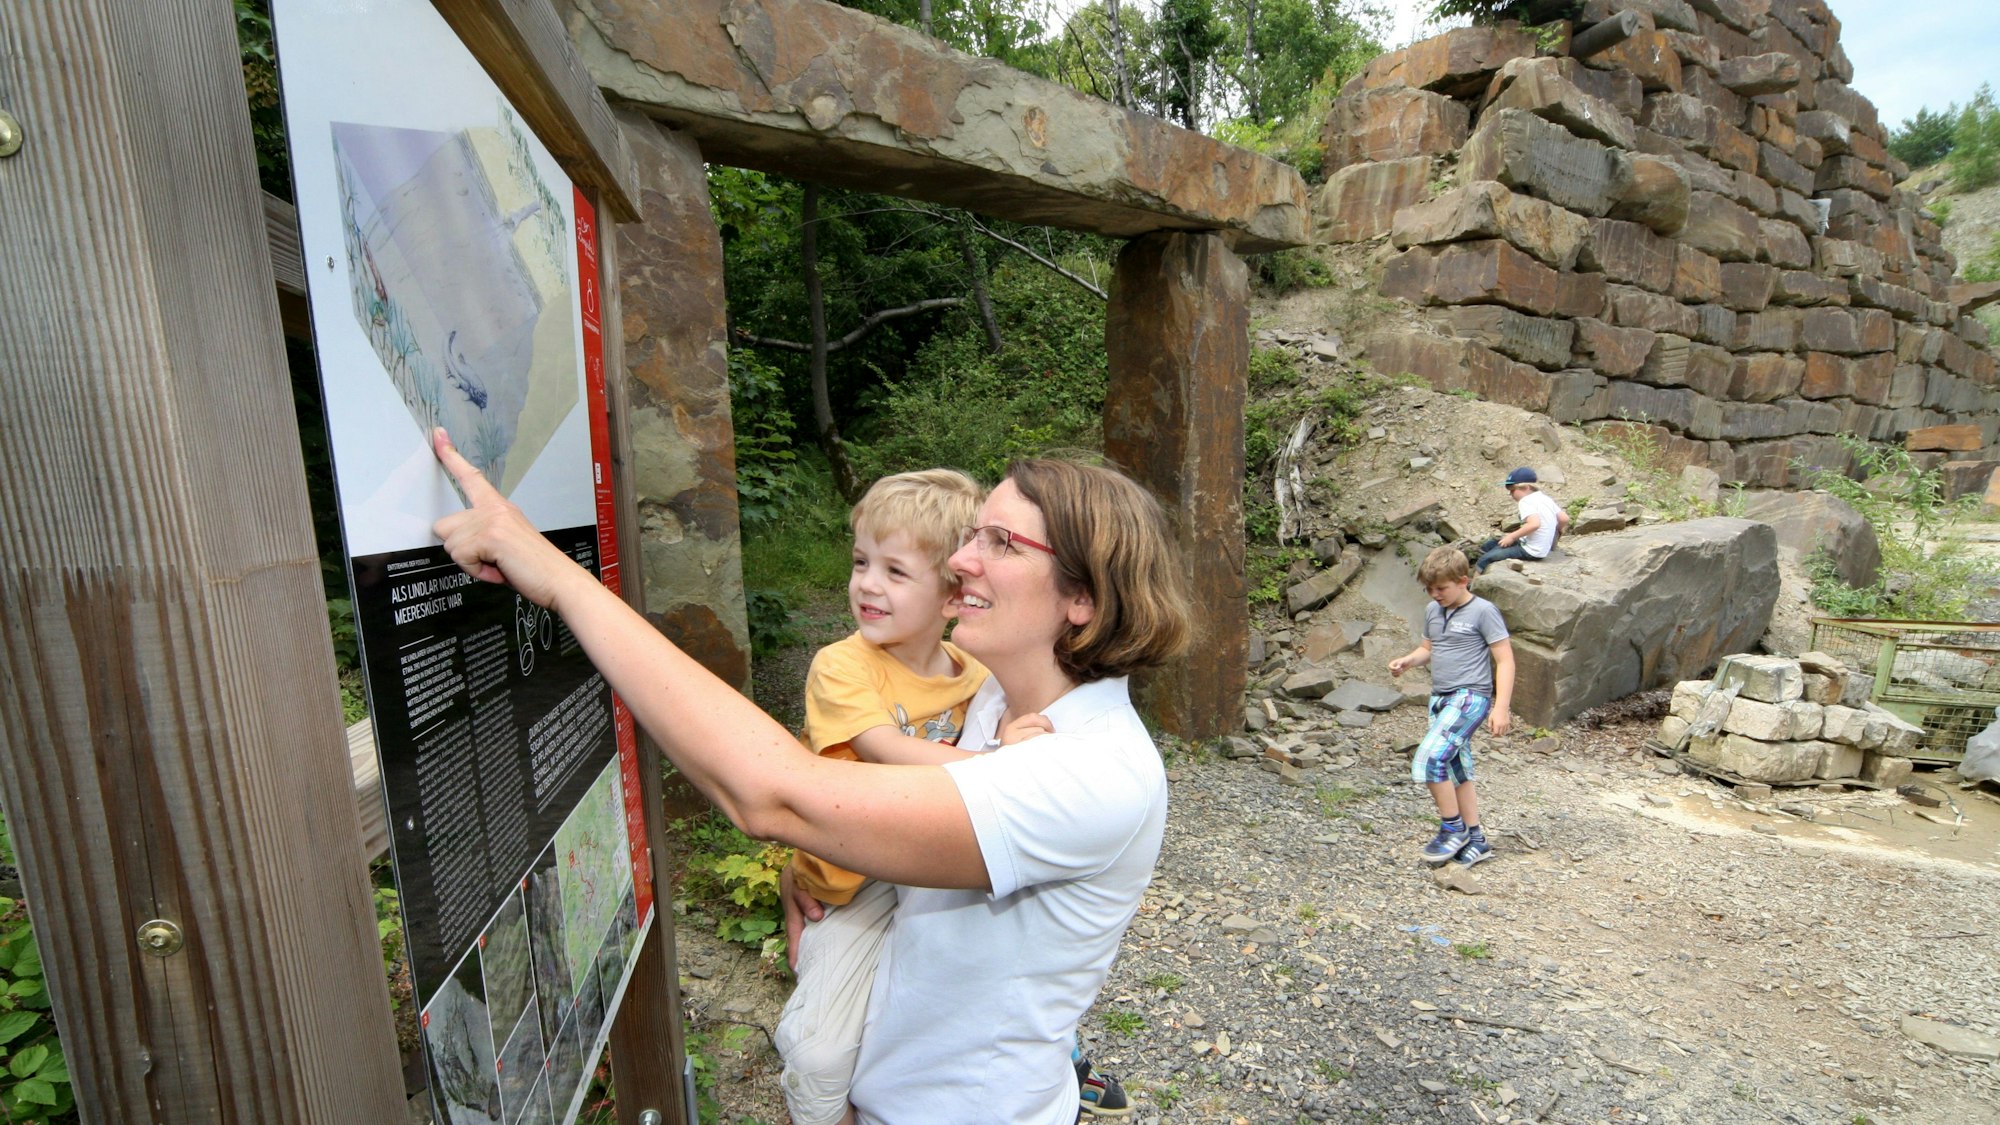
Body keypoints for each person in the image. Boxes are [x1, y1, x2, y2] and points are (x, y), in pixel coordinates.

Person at [430, 433, 1190, 1124]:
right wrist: (832, 855)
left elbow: (774, 793)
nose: (961, 560)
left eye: (1001, 541)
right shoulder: (996, 695)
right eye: (970, 536)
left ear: (1083, 597)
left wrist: (563, 581)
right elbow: (835, 805)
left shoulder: (1090, 774)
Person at [773, 469, 990, 1125]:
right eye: (861, 561)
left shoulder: (976, 675)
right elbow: (880, 748)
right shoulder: (844, 664)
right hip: (850, 882)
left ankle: (1059, 1061)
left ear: (953, 596)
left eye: (895, 571)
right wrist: (998, 765)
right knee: (815, 1057)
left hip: (927, 870)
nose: (866, 583)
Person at [1387, 546, 1515, 868]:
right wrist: (1409, 661)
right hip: (1441, 698)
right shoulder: (1434, 611)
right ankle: (1477, 840)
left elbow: (1505, 659)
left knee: (1429, 760)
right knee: (1457, 771)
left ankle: (1452, 828)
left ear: (1463, 581)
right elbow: (1427, 648)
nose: (1435, 594)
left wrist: (1501, 708)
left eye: (1441, 588)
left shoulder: (1484, 611)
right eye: (1429, 589)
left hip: (1470, 697)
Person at [1474, 467, 1568, 574]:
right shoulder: (1545, 498)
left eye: (1512, 490)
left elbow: (1534, 524)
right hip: (1538, 547)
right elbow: (1564, 518)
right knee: (1492, 544)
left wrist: (1511, 536)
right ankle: (1480, 555)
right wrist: (1557, 532)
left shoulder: (1525, 501)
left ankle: (1474, 580)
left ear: (1526, 487)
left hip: (1531, 551)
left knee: (1485, 559)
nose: (1511, 494)